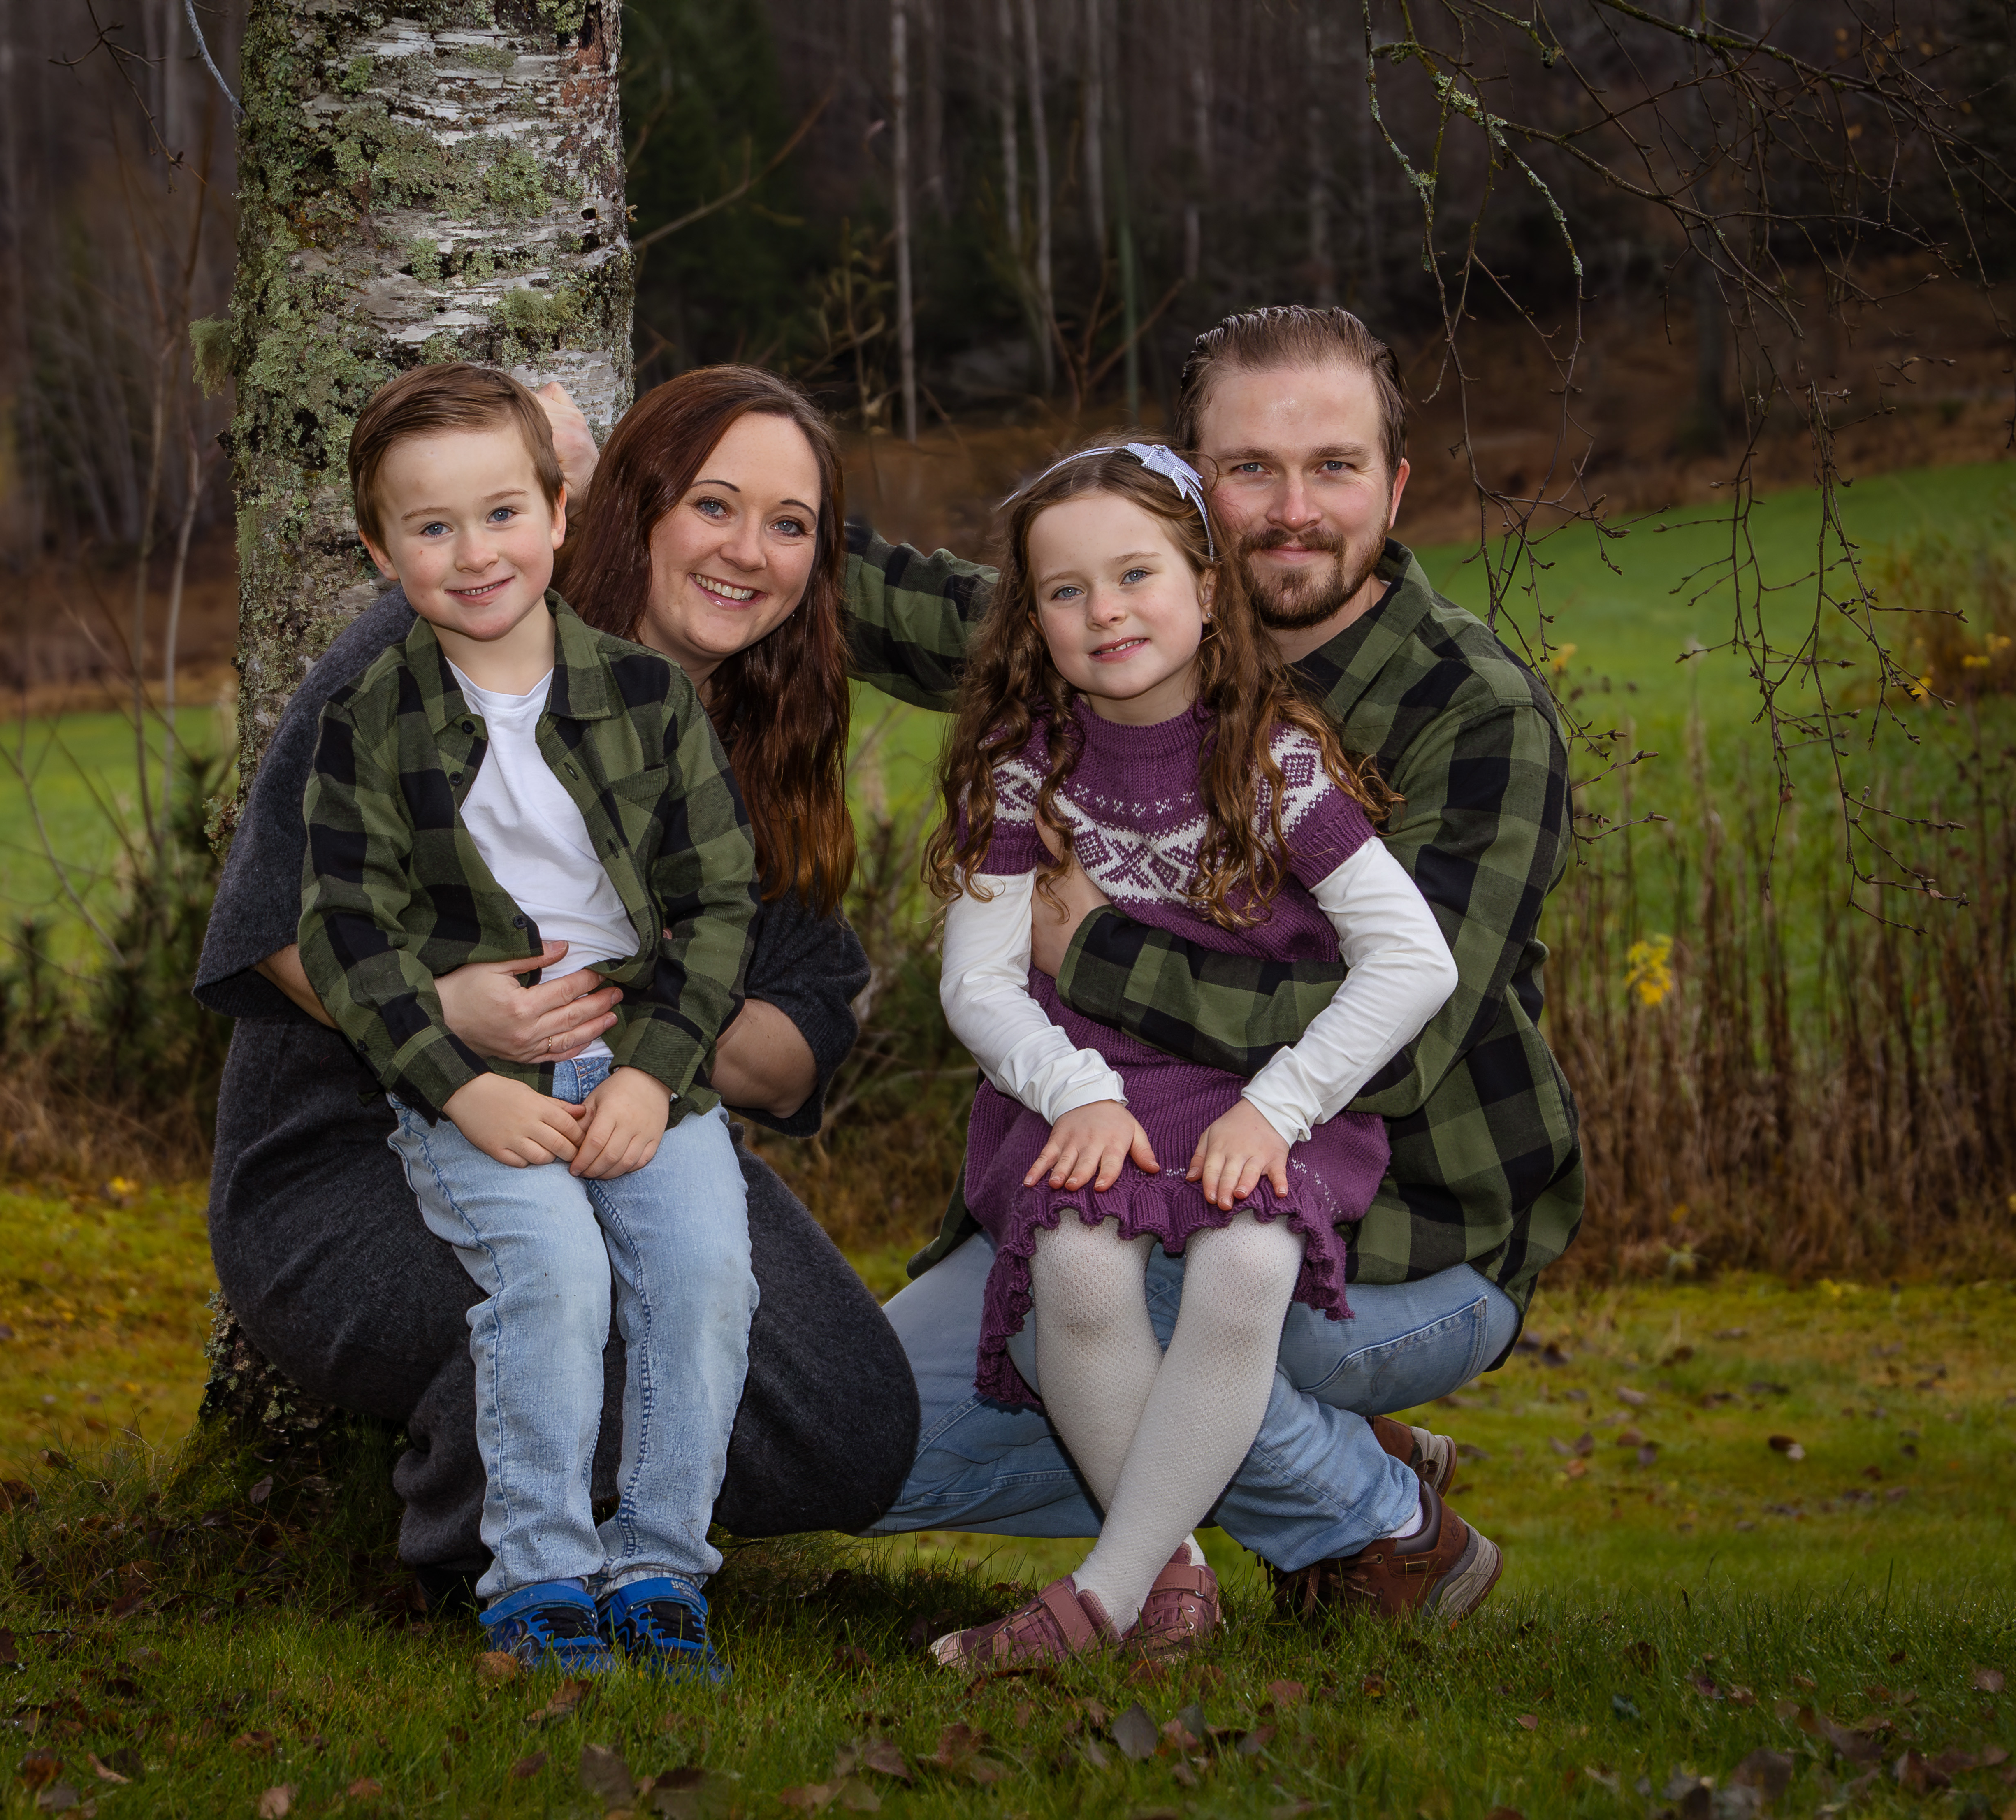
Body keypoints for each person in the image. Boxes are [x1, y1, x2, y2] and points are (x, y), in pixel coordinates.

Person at [844, 306, 1581, 1618]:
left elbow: (1408, 1030)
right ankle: (1280, 1466)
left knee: (1103, 1271)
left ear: (1394, 486)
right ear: (1186, 492)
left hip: (1409, 1230)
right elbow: (883, 590)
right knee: (837, 1440)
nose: (1292, 511)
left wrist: (1093, 950)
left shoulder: (1474, 714)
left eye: (1334, 466)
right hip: (1134, 1141)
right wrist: (628, 483)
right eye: (1249, 469)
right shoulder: (1112, 625)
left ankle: (1368, 1531)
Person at [193, 371, 916, 1640]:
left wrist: (645, 1031)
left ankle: (631, 1521)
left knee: (851, 1423)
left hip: (628, 1108)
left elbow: (796, 1044)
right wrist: (446, 1009)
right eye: (712, 505)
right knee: (572, 1307)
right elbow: (271, 925)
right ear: (627, 504)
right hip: (366, 1134)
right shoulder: (448, 633)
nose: (747, 551)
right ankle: (509, 1558)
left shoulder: (750, 730)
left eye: (790, 525)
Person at [920, 441, 1461, 1669]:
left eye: (1135, 575)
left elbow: (1413, 959)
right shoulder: (1021, 770)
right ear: (1033, 622)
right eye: (1065, 591)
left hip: (1253, 1095)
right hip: (1087, 1090)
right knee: (1075, 1271)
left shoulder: (1271, 759)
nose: (1104, 611)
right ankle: (1172, 1588)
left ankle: (1101, 1601)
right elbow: (976, 984)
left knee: (1245, 1264)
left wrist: (1278, 1109)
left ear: (1206, 588)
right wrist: (1074, 1092)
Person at [297, 364, 761, 1678]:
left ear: (559, 515)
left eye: (502, 513)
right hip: (473, 1079)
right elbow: (345, 933)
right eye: (431, 528)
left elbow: (718, 902)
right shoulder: (367, 723)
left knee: (703, 1277)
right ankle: (539, 1577)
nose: (474, 553)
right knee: (552, 1276)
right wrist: (459, 1086)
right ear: (380, 551)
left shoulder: (648, 700)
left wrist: (654, 1076)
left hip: (647, 1058)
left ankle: (660, 1570)